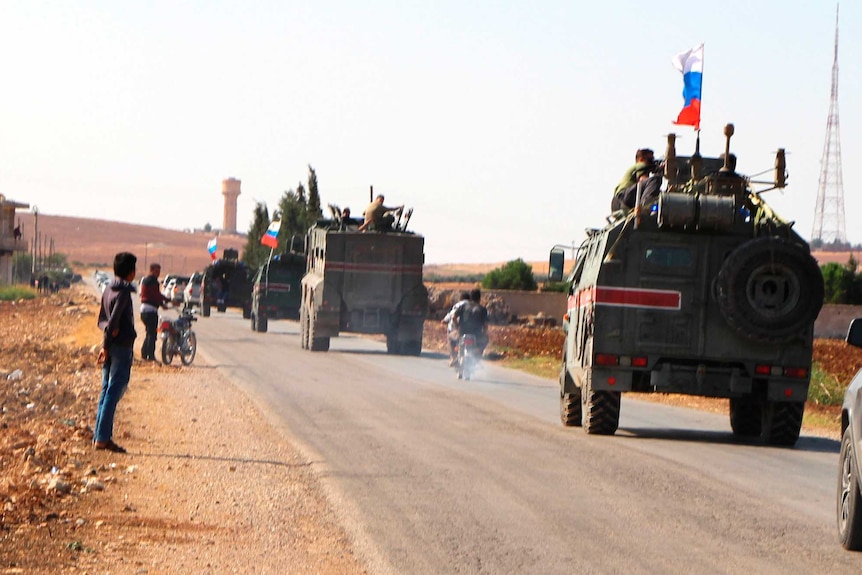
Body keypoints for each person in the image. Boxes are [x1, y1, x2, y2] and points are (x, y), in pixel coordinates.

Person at [94, 251, 138, 453]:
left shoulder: (108, 289)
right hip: (120, 347)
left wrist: (106, 344)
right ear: (130, 272)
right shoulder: (123, 293)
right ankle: (103, 438)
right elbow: (112, 324)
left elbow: (102, 320)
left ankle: (99, 436)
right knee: (114, 391)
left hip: (111, 346)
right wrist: (107, 342)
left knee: (106, 391)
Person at [139, 263, 170, 361]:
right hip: (150, 311)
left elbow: (154, 295)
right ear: (151, 270)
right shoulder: (153, 282)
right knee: (152, 334)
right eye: (156, 271)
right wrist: (165, 302)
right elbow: (156, 295)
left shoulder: (146, 280)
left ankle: (144, 353)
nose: (158, 273)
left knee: (149, 332)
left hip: (144, 310)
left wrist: (163, 302)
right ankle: (150, 356)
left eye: (159, 271)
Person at [454, 288, 489, 357]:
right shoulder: (482, 309)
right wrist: (484, 334)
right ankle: (478, 353)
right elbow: (485, 325)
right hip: (476, 334)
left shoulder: (463, 306)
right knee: (486, 339)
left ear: (470, 298)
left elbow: (453, 317)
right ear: (479, 298)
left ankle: (454, 355)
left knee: (451, 337)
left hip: (462, 331)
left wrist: (457, 327)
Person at [442, 291, 471, 366]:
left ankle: (453, 358)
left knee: (450, 338)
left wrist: (445, 320)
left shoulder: (458, 305)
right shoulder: (473, 305)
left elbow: (452, 315)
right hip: (472, 331)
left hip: (458, 330)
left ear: (461, 298)